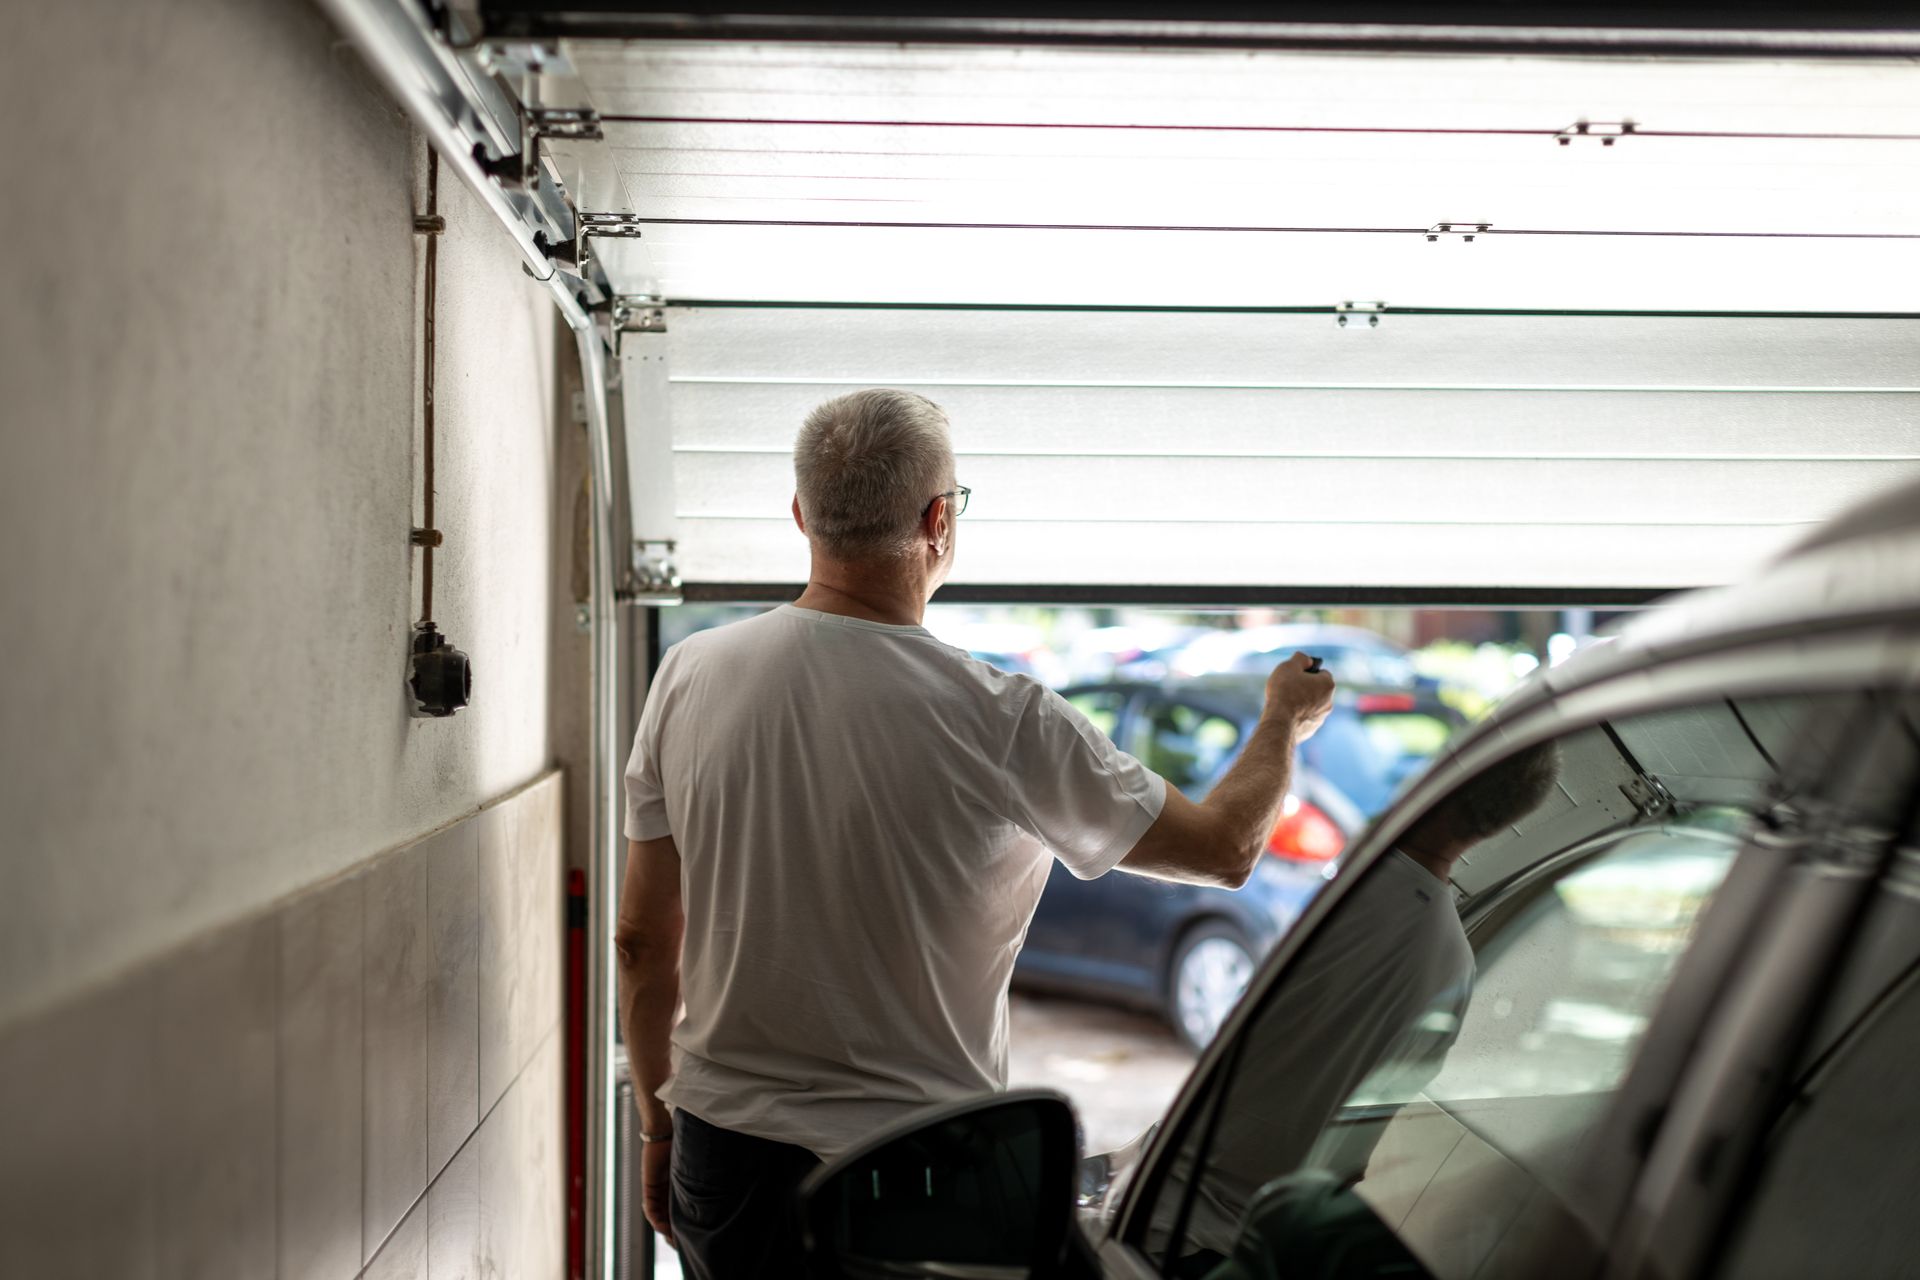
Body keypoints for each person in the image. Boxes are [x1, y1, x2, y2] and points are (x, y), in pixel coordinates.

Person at [615, 387, 1335, 1279]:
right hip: (911, 1170)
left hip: (725, 1156)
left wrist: (656, 1126)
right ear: (938, 521)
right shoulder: (1003, 719)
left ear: (802, 515)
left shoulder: (688, 673)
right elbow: (1225, 849)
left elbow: (645, 944)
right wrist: (1282, 723)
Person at [1151, 738, 1564, 1270]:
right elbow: (1354, 1155)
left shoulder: (1341, 892)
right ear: (1498, 825)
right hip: (1257, 1248)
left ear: (1444, 775)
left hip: (1169, 1219)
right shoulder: (1456, 966)